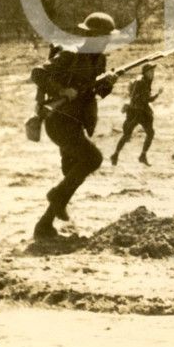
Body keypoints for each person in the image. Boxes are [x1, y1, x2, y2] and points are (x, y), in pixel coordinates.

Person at [31, 12, 118, 239]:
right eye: (104, 36)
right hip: (59, 121)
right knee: (92, 159)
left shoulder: (99, 59)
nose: (107, 40)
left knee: (72, 174)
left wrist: (108, 84)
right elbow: (38, 73)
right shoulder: (71, 55)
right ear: (91, 36)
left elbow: (94, 91)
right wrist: (61, 90)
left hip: (77, 122)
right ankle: (55, 197)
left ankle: (44, 226)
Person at [111, 63, 161, 166]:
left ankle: (140, 156)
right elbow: (146, 99)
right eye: (151, 71)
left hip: (139, 111)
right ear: (146, 72)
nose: (153, 73)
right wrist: (158, 94)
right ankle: (116, 155)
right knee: (128, 135)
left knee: (148, 133)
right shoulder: (142, 82)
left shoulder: (143, 80)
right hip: (137, 112)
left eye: (153, 71)